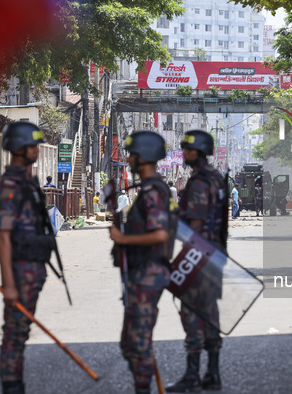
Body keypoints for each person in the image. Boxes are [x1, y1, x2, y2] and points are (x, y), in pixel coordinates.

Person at [0, 121, 50, 394]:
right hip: (20, 272)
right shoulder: (10, 185)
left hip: (33, 270)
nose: (37, 150)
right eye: (33, 145)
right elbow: (3, 236)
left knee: (21, 331)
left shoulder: (26, 183)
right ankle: (11, 386)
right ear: (20, 149)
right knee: (15, 332)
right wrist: (8, 283)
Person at [108, 130, 177, 394]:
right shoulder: (149, 190)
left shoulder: (153, 192)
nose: (128, 160)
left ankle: (143, 388)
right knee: (130, 343)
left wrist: (122, 239)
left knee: (137, 342)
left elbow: (159, 234)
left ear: (144, 157)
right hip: (140, 274)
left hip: (148, 275)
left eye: (132, 155)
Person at [166, 129, 227, 393]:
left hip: (198, 254)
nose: (184, 154)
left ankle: (193, 375)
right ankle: (213, 372)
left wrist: (170, 222)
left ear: (200, 152)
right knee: (210, 313)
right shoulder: (217, 179)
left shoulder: (201, 182)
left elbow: (195, 223)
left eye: (188, 150)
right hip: (215, 254)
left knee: (191, 313)